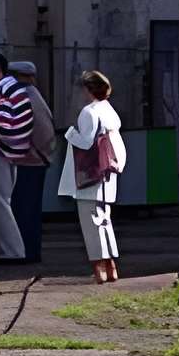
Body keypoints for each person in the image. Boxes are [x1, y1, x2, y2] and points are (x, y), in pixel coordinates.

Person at [0, 53, 50, 266]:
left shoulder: (21, 96)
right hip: (36, 159)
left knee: (22, 209)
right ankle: (29, 252)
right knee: (27, 209)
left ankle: (22, 253)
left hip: (29, 160)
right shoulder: (33, 95)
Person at [61, 69, 128, 282]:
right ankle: (111, 266)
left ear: (87, 89)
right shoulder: (109, 110)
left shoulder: (89, 112)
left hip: (90, 173)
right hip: (109, 173)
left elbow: (86, 142)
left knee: (91, 223)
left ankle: (99, 268)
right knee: (105, 221)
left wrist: (70, 134)